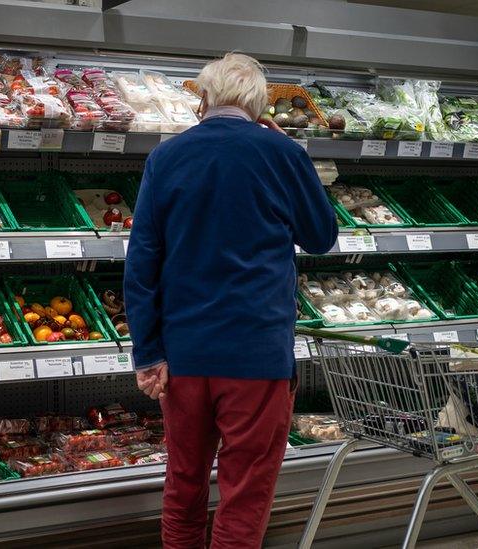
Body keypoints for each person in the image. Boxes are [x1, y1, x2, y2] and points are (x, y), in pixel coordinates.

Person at [123, 53, 339, 549]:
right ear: (259, 103)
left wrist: (148, 352)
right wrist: (291, 155)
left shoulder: (167, 157)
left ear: (204, 98)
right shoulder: (281, 153)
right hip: (256, 357)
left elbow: (141, 264)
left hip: (184, 356)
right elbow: (322, 236)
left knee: (184, 485)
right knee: (244, 494)